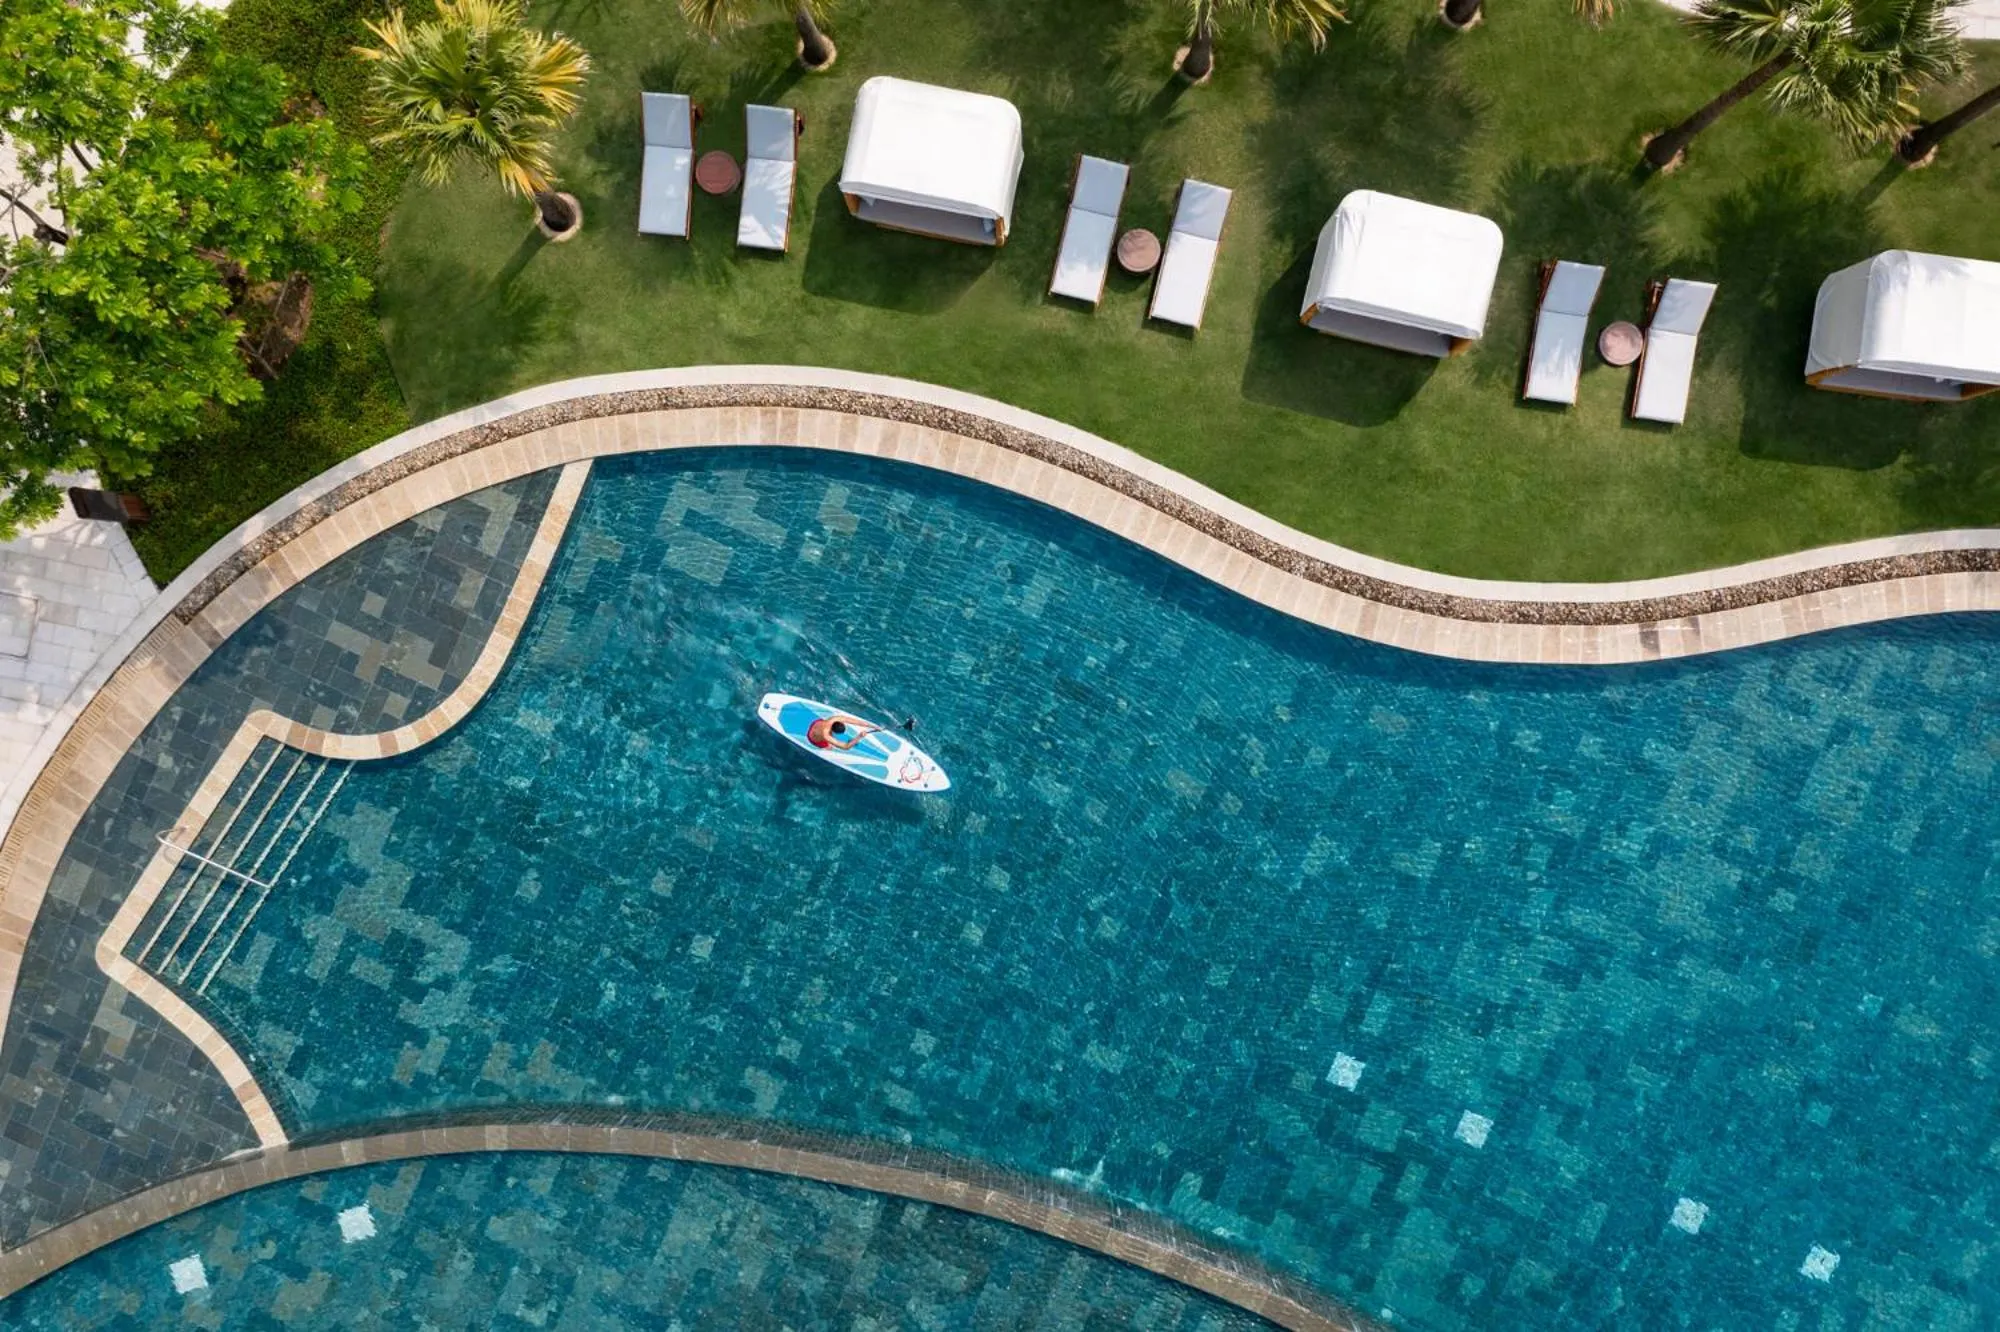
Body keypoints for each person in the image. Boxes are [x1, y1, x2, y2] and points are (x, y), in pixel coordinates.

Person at [806, 715, 877, 750]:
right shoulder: (826, 736)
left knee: (825, 729)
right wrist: (859, 737)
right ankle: (827, 748)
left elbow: (855, 721)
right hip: (812, 737)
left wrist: (873, 726)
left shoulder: (833, 719)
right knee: (830, 747)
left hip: (816, 723)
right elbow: (845, 747)